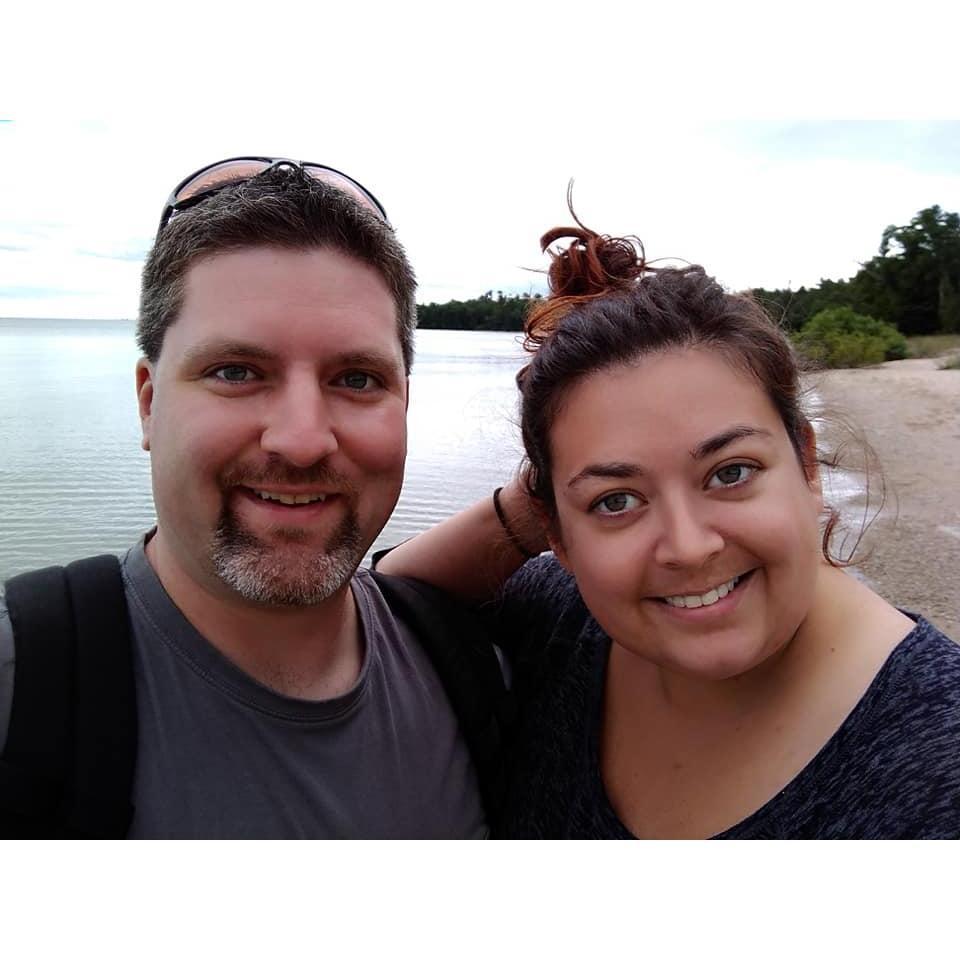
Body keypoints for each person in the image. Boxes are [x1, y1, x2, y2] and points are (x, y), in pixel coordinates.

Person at [378, 214, 960, 839]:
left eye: (730, 473)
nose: (687, 547)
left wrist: (587, 490)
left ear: (806, 464)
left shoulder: (934, 757)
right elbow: (399, 589)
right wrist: (558, 498)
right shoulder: (570, 623)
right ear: (554, 533)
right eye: (616, 502)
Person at [0, 157, 509, 839]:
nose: (302, 441)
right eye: (236, 371)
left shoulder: (480, 669)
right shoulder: (21, 691)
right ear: (149, 405)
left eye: (357, 379)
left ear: (405, 403)